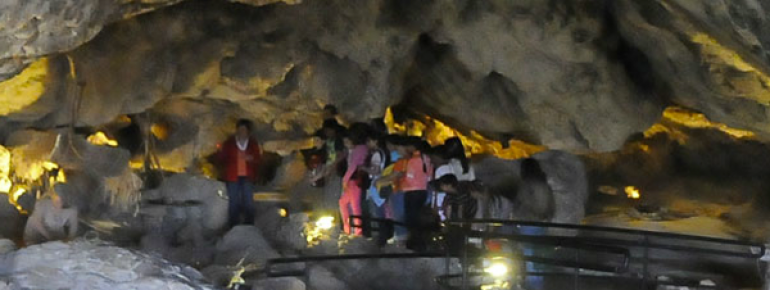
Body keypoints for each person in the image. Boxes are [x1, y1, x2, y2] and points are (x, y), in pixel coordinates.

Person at [379, 136, 433, 250]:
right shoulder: (425, 158)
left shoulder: (412, 160)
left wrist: (385, 180)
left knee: (410, 219)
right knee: (418, 218)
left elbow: (408, 177)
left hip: (411, 191)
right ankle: (419, 242)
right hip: (423, 191)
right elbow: (428, 175)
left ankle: (412, 244)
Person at [217, 119, 262, 227]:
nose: (242, 132)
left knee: (248, 201)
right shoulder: (229, 143)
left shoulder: (252, 144)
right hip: (233, 176)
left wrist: (251, 158)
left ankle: (249, 224)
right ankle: (234, 225)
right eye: (240, 129)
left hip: (248, 176)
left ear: (248, 131)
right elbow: (222, 158)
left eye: (244, 130)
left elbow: (258, 158)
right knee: (233, 201)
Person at [339, 123, 370, 236]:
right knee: (343, 202)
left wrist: (344, 179)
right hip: (354, 180)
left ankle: (357, 231)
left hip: (355, 180)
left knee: (355, 206)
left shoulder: (360, 149)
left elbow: (353, 166)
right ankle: (349, 229)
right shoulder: (361, 148)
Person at [311, 120, 348, 212]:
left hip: (337, 169)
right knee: (328, 192)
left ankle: (334, 213)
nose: (326, 133)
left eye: (328, 130)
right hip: (329, 167)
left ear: (333, 130)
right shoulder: (328, 141)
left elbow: (341, 155)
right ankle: (329, 212)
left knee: (334, 192)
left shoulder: (338, 140)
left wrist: (332, 166)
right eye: (325, 131)